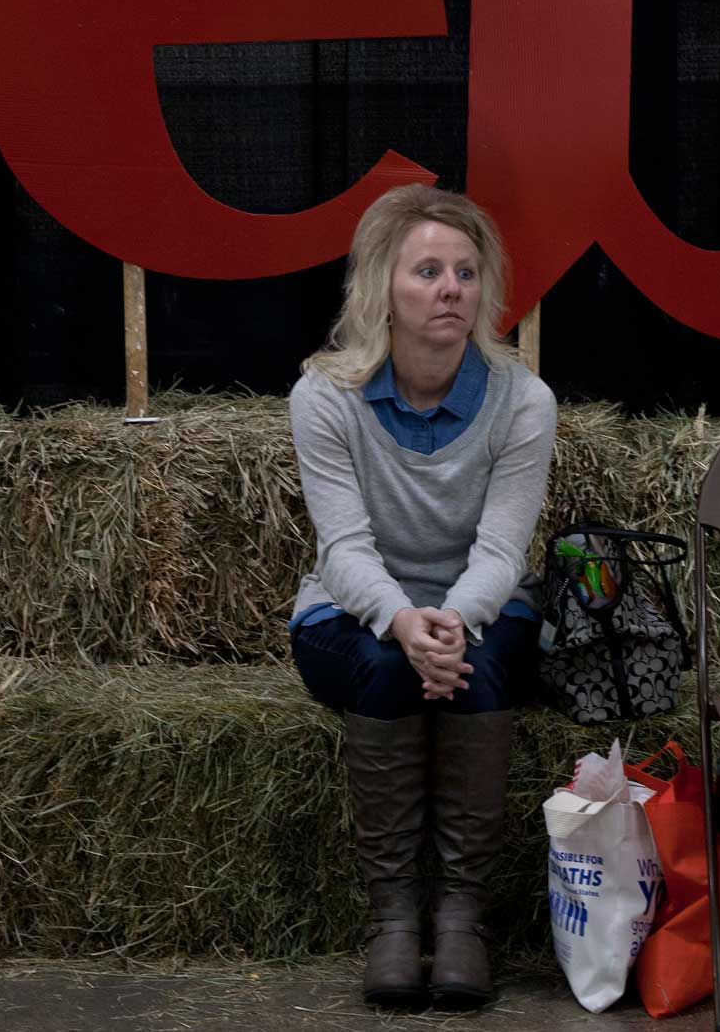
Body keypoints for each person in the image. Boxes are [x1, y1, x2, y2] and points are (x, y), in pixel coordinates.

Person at [288, 184, 556, 1011]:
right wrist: (407, 622)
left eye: (467, 272)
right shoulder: (324, 397)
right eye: (429, 270)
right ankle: (396, 921)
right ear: (383, 290)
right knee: (384, 663)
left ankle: (463, 917)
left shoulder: (524, 401)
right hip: (357, 611)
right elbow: (343, 550)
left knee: (482, 662)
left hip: (479, 603)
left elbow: (503, 550)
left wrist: (452, 624)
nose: (451, 288)